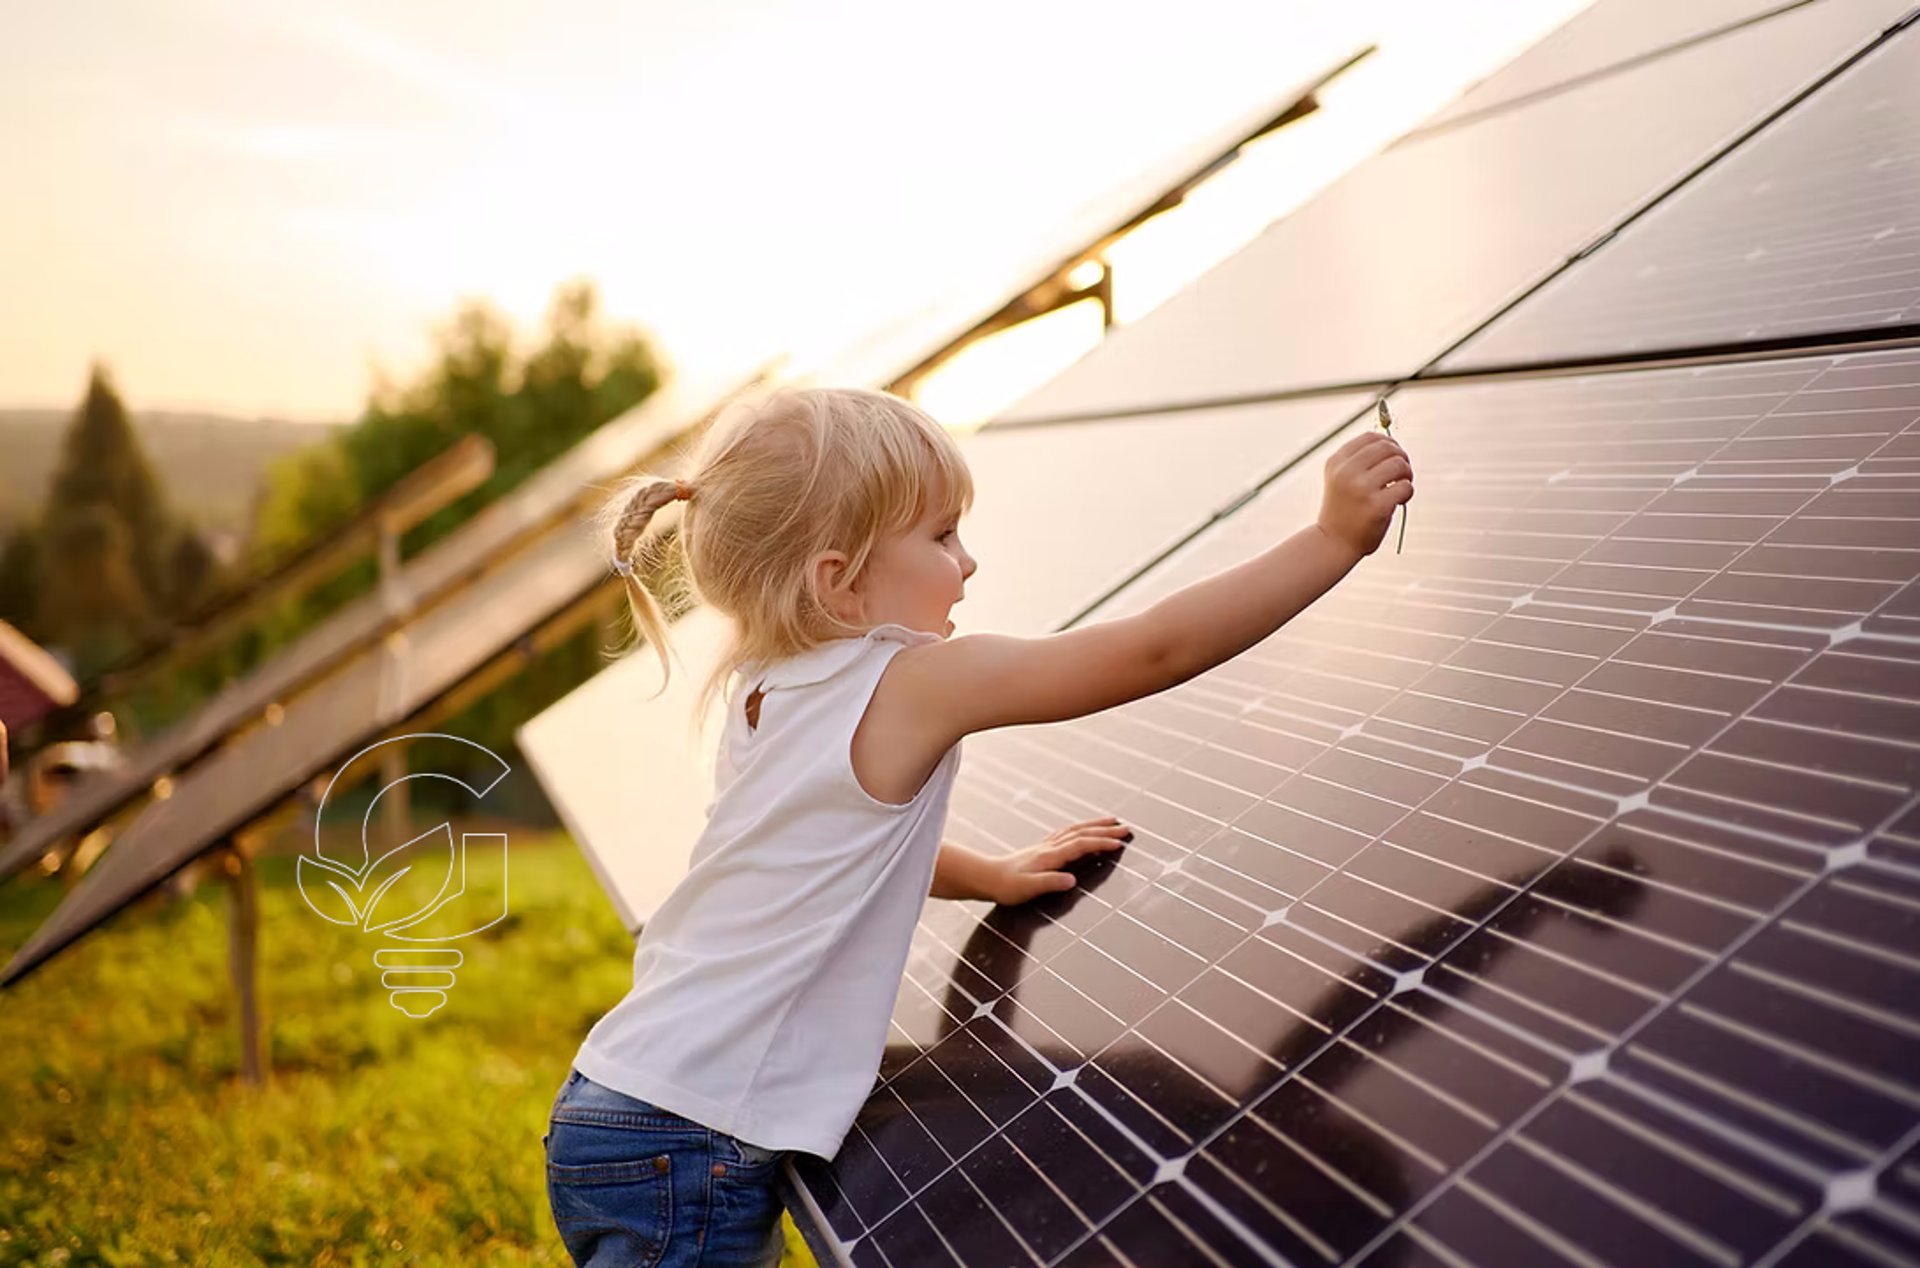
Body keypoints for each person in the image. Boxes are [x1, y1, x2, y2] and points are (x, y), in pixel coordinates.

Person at [542, 386, 1413, 1266]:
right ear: (839, 580)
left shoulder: (764, 689)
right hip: (695, 1143)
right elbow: (1151, 650)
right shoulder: (916, 682)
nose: (969, 561)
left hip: (616, 1101)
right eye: (941, 535)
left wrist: (989, 876)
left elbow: (827, 854)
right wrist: (1331, 540)